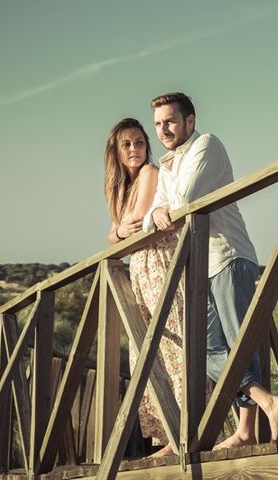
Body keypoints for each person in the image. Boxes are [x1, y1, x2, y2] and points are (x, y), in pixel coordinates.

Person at [143, 92, 278, 450]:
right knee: (208, 351)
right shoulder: (169, 164)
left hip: (229, 256)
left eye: (171, 121)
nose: (164, 129)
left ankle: (245, 431)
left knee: (240, 342)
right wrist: (155, 214)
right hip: (200, 268)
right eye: (159, 124)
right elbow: (153, 216)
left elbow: (183, 202)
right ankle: (269, 402)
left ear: (190, 121)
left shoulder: (206, 145)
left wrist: (162, 211)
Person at [103, 118, 185, 457]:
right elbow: (113, 234)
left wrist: (121, 231)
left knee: (171, 343)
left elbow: (134, 223)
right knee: (146, 351)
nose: (135, 149)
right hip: (139, 269)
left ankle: (186, 428)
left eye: (139, 142)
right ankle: (167, 434)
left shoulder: (150, 172)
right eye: (128, 145)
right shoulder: (123, 186)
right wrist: (120, 231)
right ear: (117, 153)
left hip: (159, 262)